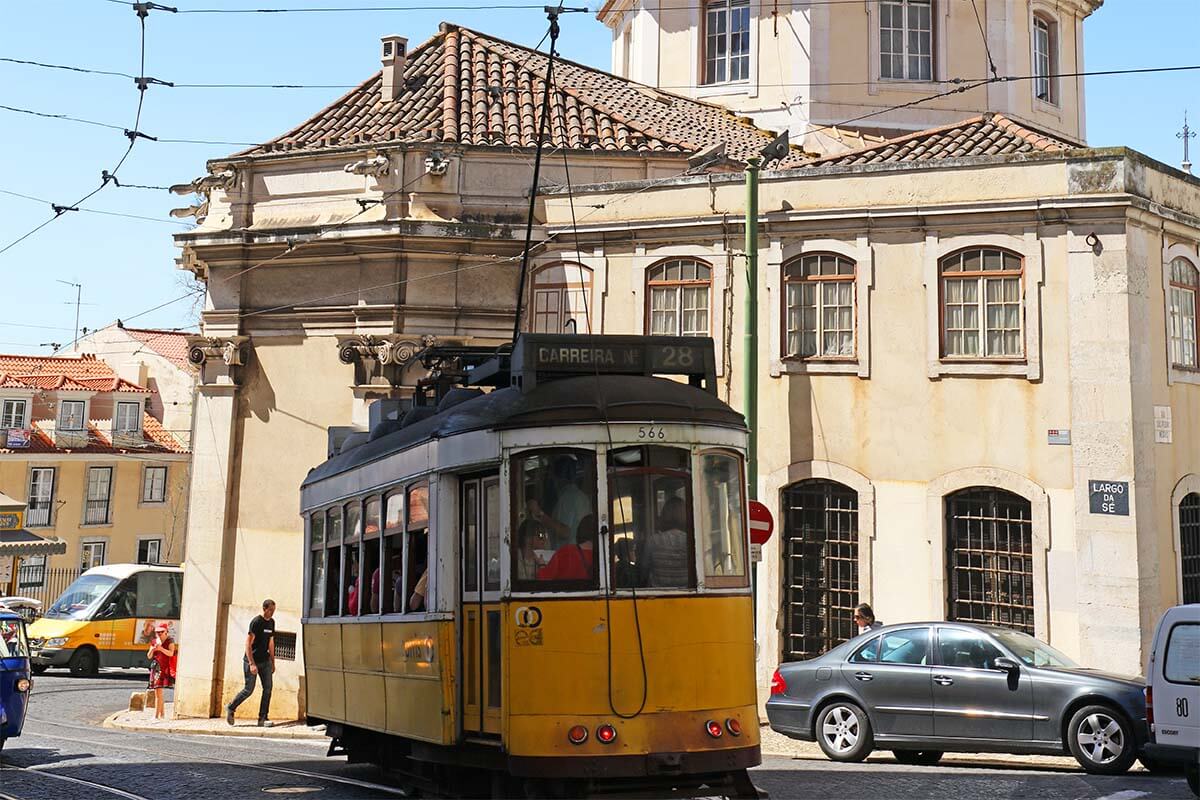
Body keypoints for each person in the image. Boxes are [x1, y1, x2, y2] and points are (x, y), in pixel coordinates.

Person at [226, 598, 276, 727]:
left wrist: (273, 661)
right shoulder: (256, 622)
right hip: (252, 660)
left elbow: (271, 643)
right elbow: (248, 643)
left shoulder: (271, 623)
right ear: (264, 609)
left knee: (268, 689)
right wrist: (251, 663)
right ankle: (231, 707)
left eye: (273, 610)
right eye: (270, 610)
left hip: (265, 661)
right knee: (249, 689)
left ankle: (262, 718)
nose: (272, 612)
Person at [530, 457, 591, 547]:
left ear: (557, 477)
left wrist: (539, 514)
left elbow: (565, 532)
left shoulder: (568, 497)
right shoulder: (582, 497)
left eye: (551, 476)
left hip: (568, 555)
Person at [641, 497, 690, 588]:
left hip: (657, 594)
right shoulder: (690, 541)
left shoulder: (653, 541)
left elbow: (644, 571)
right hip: (687, 592)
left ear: (664, 515)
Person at [538, 515, 597, 581]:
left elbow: (544, 580)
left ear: (580, 530)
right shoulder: (603, 557)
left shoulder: (566, 552)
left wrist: (542, 565)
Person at [146, 622, 177, 720]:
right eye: (157, 632)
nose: (159, 634)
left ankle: (156, 716)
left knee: (158, 692)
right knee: (158, 692)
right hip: (156, 667)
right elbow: (149, 656)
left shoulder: (170, 641)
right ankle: (162, 715)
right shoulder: (154, 641)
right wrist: (153, 650)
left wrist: (161, 649)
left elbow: (171, 654)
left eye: (161, 632)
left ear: (166, 632)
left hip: (164, 668)